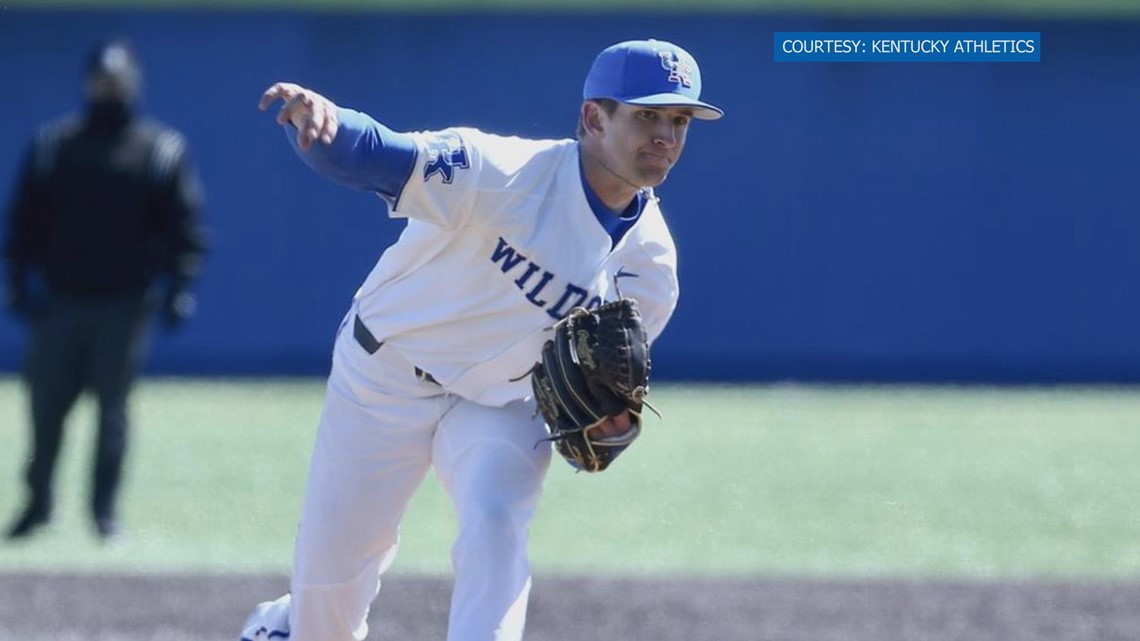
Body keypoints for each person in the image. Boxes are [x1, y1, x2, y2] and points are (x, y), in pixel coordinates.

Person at [239, 38, 721, 641]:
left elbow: (606, 393)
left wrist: (607, 420)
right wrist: (324, 122)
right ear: (593, 119)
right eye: (646, 115)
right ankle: (287, 625)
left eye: (679, 120)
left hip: (499, 405)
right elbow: (379, 155)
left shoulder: (651, 268)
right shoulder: (503, 172)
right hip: (385, 374)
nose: (665, 136)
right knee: (330, 595)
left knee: (497, 526)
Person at [2, 38, 208, 542]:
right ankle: (38, 503)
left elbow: (185, 227)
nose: (108, 90)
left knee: (112, 412)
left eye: (116, 82)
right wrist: (15, 285)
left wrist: (180, 286)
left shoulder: (159, 150)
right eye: (101, 81)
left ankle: (103, 510)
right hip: (61, 301)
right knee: (46, 408)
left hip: (125, 303)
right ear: (86, 82)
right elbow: (22, 224)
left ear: (133, 84)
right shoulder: (54, 147)